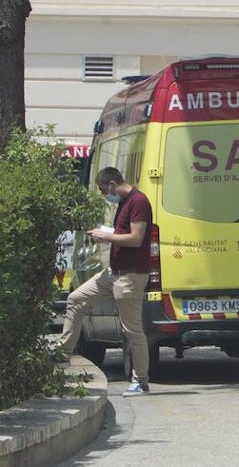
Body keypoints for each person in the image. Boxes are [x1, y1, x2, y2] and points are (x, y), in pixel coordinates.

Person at [57, 166, 153, 397]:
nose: (103, 195)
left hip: (130, 276)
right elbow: (123, 232)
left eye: (103, 190)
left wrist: (105, 236)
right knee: (75, 298)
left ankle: (141, 380)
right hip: (114, 273)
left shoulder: (138, 201)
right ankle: (61, 355)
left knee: (132, 331)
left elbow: (136, 238)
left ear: (112, 184)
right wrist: (106, 232)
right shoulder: (123, 201)